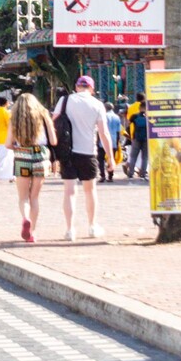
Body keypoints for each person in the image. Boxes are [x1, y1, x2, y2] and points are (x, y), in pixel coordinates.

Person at [53, 75, 115, 241]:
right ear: (92, 89)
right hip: (88, 152)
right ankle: (92, 226)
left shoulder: (64, 101)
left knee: (69, 192)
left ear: (76, 87)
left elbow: (54, 122)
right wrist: (110, 157)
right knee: (90, 191)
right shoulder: (97, 104)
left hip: (67, 152)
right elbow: (104, 133)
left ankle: (69, 230)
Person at [7, 92, 56, 243]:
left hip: (22, 155)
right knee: (34, 197)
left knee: (23, 197)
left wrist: (18, 145)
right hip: (40, 155)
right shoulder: (44, 115)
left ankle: (25, 218)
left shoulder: (14, 119)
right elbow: (53, 141)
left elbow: (8, 144)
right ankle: (32, 233)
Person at [124, 92, 149, 179]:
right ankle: (143, 173)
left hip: (135, 136)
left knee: (133, 155)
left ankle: (130, 172)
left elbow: (128, 122)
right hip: (146, 138)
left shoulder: (132, 110)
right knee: (145, 157)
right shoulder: (149, 116)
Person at [103, 101, 123, 182]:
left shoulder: (103, 116)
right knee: (112, 158)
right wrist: (118, 141)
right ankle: (110, 175)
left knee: (101, 158)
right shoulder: (117, 117)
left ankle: (102, 175)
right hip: (113, 140)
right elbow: (118, 131)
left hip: (103, 141)